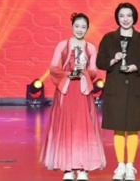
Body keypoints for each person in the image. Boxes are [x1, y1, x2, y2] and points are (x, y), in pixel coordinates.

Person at [39, 12, 106, 181]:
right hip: (67, 90)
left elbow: (94, 72)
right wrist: (68, 73)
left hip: (82, 91)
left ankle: (83, 168)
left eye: (83, 27)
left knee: (83, 127)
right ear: (71, 27)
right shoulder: (63, 45)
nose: (80, 29)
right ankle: (67, 167)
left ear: (88, 29)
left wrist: (84, 71)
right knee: (66, 127)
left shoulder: (91, 48)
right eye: (77, 26)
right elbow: (53, 68)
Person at [96, 3, 140, 181]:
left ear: (134, 17)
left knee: (132, 128)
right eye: (122, 16)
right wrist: (113, 59)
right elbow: (100, 62)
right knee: (118, 128)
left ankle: (130, 165)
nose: (125, 19)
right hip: (115, 89)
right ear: (117, 18)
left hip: (134, 88)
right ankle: (120, 165)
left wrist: (136, 67)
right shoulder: (109, 38)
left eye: (129, 15)